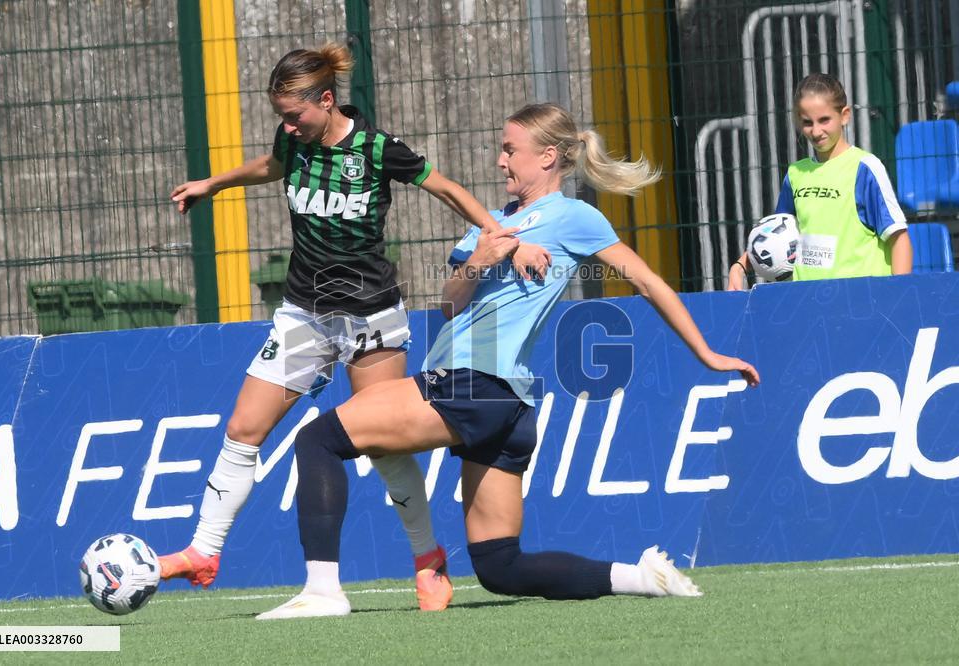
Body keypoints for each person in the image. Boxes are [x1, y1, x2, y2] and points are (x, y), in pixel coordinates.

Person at [255, 102, 760, 620]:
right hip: (506, 404)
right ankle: (644, 576)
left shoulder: (573, 216)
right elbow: (450, 301)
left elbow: (648, 280)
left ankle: (322, 591)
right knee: (499, 566)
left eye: (509, 149)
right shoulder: (491, 224)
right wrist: (480, 259)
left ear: (547, 157)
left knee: (318, 440)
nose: (500, 160)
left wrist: (708, 353)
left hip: (471, 385)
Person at [159, 43, 551, 613]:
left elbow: (447, 190)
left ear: (325, 99)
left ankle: (427, 559)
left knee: (382, 449)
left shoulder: (376, 148)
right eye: (281, 118)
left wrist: (501, 237)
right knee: (243, 429)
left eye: (295, 115)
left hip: (370, 314)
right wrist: (213, 184)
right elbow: (271, 167)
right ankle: (204, 551)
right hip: (303, 312)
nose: (288, 128)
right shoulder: (291, 143)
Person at [728, 73, 912, 289]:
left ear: (844, 115)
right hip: (808, 301)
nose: (816, 131)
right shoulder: (796, 174)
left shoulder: (865, 168)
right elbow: (773, 233)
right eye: (807, 123)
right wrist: (740, 265)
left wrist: (898, 297)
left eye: (824, 120)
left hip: (863, 303)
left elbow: (898, 239)